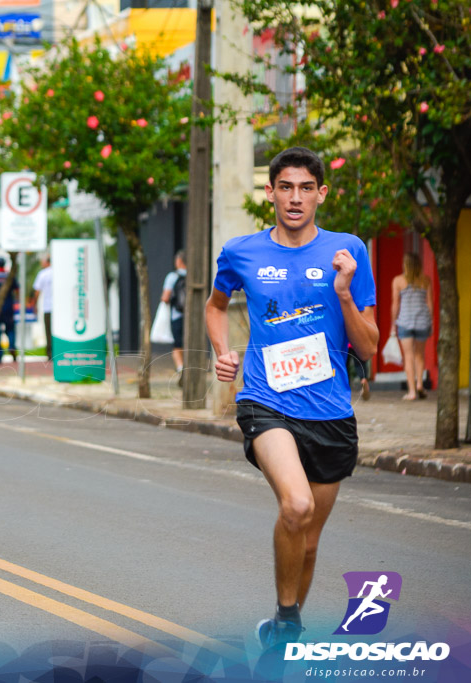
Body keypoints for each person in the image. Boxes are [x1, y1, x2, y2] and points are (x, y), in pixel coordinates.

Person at [204, 147, 377, 648]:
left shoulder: (349, 251)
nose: (295, 197)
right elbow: (216, 306)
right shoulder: (242, 252)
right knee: (296, 507)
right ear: (271, 193)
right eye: (286, 187)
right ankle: (288, 620)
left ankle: (282, 626)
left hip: (330, 412)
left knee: (310, 540)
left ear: (322, 193)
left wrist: (343, 292)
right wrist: (223, 351)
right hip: (265, 400)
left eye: (306, 188)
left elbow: (367, 346)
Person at [390, 252, 433, 400]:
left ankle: (412, 391)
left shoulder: (398, 281)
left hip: (405, 321)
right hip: (422, 321)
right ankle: (420, 384)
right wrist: (430, 321)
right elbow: (430, 304)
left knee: (408, 356)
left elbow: (395, 305)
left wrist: (392, 325)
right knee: (419, 355)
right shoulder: (425, 281)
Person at [161, 250, 187, 377]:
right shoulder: (195, 276)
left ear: (179, 261)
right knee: (190, 343)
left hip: (177, 315)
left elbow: (165, 297)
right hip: (193, 316)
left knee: (177, 345)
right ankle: (191, 367)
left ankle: (181, 368)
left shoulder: (173, 277)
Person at [32, 255, 53, 360]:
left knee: (48, 331)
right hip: (59, 309)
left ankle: (50, 354)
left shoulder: (43, 274)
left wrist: (35, 304)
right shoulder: (59, 272)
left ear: (47, 262)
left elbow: (37, 291)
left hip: (48, 307)